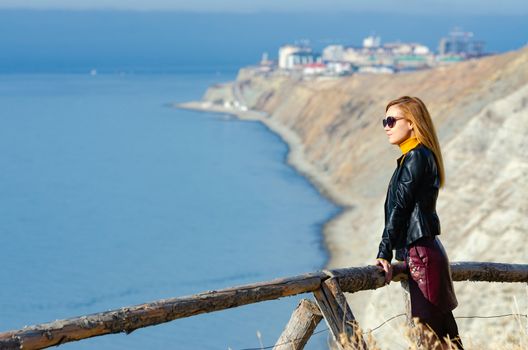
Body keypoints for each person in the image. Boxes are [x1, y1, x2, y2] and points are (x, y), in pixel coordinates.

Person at [374, 96, 463, 349]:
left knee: (432, 340)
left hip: (421, 256)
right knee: (447, 339)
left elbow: (400, 209)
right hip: (425, 252)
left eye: (391, 120)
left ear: (412, 123)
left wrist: (383, 252)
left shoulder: (416, 157)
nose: (386, 127)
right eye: (384, 121)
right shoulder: (417, 156)